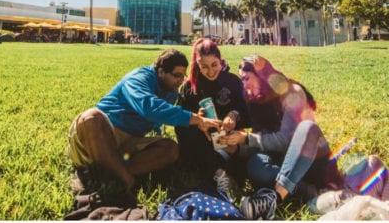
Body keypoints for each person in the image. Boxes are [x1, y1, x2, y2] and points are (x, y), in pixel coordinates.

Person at [67, 49, 222, 197]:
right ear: (161, 71)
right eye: (176, 76)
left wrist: (197, 118)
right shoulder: (138, 78)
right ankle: (125, 179)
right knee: (91, 117)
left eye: (183, 76)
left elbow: (163, 117)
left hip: (128, 144)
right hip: (98, 137)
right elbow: (150, 108)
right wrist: (196, 119)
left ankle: (106, 175)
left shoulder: (171, 92)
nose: (180, 81)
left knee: (170, 148)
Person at [220, 55, 344, 219]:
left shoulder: (292, 92)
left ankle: (275, 197)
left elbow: (286, 140)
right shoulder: (254, 101)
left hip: (307, 159)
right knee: (256, 166)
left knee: (308, 127)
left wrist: (247, 138)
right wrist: (236, 149)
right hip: (282, 164)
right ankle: (309, 192)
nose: (244, 85)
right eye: (241, 80)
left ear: (263, 76)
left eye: (247, 78)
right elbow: (262, 141)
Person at [175, 38, 252, 202]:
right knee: (187, 130)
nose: (210, 71)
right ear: (197, 64)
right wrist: (197, 118)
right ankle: (219, 173)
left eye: (214, 65)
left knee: (244, 156)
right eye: (204, 67)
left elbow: (248, 113)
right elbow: (180, 118)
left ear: (220, 60)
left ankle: (224, 168)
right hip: (202, 142)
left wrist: (234, 115)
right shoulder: (190, 86)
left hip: (230, 141)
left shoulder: (232, 81)